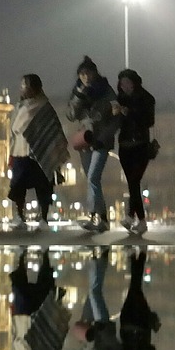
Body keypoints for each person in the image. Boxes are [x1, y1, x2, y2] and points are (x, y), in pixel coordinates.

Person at [7, 73, 69, 230]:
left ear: (35, 88)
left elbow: (53, 130)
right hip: (21, 151)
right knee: (18, 184)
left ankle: (44, 218)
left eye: (25, 86)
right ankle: (19, 216)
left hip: (41, 152)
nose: (22, 89)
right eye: (21, 86)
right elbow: (14, 130)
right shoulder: (19, 107)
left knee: (43, 185)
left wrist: (54, 150)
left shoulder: (44, 107)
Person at [66, 57, 120, 232]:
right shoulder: (78, 91)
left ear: (95, 73)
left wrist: (106, 135)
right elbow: (71, 115)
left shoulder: (106, 90)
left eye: (88, 73)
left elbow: (116, 115)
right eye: (82, 74)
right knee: (91, 180)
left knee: (93, 177)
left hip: (101, 139)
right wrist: (78, 97)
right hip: (85, 139)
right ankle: (101, 218)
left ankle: (95, 215)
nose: (85, 77)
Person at [8, 247, 69, 350]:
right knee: (43, 287)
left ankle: (22, 256)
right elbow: (54, 342)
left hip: (22, 320)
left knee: (20, 288)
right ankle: (44, 255)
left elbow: (15, 343)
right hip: (38, 320)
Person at [69, 247, 121, 350]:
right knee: (94, 292)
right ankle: (98, 257)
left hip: (87, 331)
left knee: (92, 292)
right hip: (102, 329)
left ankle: (99, 258)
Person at [113, 68, 156, 235]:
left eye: (127, 83)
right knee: (133, 183)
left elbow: (148, 121)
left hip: (140, 145)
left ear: (135, 83)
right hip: (124, 146)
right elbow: (117, 123)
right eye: (122, 83)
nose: (124, 86)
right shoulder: (120, 99)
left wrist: (129, 112)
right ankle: (136, 219)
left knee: (133, 181)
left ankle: (135, 218)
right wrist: (116, 114)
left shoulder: (145, 98)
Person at [116, 248, 159, 350]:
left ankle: (138, 256)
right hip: (141, 326)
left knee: (134, 289)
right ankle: (135, 256)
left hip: (127, 326)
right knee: (135, 289)